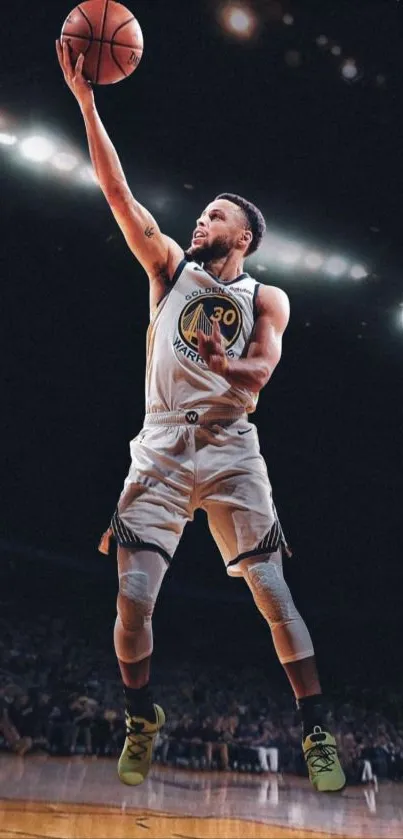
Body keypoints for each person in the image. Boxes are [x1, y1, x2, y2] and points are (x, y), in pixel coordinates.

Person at [56, 41, 345, 792]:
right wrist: (89, 104)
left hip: (230, 446)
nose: (197, 220)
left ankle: (315, 730)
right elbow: (119, 195)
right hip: (159, 444)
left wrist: (226, 365)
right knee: (132, 599)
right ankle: (139, 714)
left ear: (241, 237)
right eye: (199, 212)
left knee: (273, 594)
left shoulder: (265, 298)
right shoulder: (167, 270)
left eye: (212, 215)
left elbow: (261, 373)